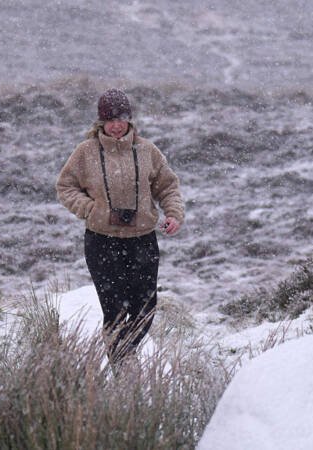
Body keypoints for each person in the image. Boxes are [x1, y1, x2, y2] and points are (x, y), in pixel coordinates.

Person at [56, 88, 184, 365]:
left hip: (142, 241)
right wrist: (90, 209)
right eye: (110, 119)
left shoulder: (147, 151)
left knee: (145, 310)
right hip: (102, 242)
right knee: (114, 311)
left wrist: (173, 214)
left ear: (130, 119)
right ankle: (121, 366)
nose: (116, 125)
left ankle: (123, 355)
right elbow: (65, 187)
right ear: (101, 122)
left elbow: (168, 187)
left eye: (121, 119)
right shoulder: (85, 152)